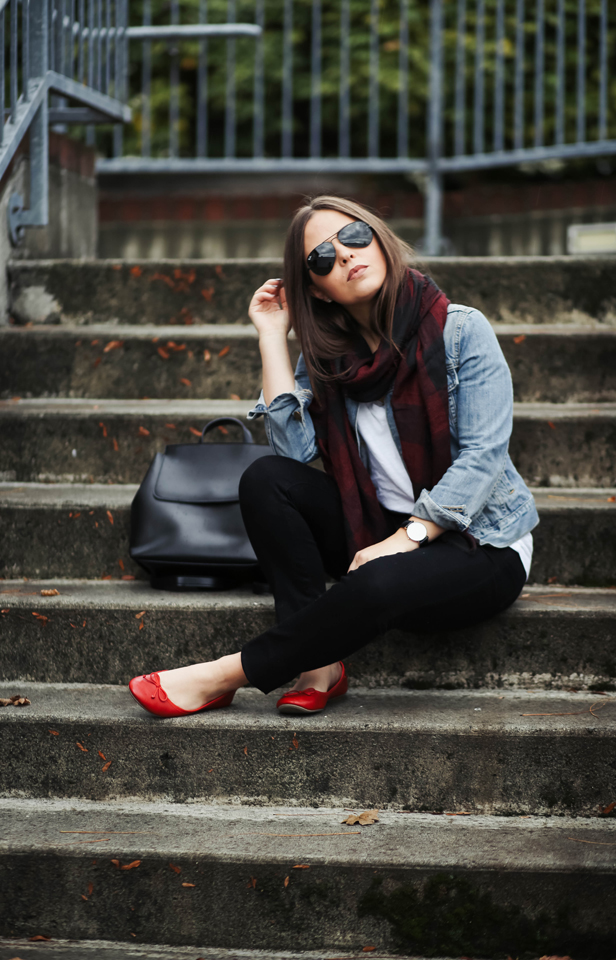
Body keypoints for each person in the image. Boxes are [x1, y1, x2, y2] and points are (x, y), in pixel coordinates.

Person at [129, 196, 538, 718]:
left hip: (481, 545)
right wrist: (274, 337)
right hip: (377, 533)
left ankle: (223, 675)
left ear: (380, 240)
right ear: (316, 289)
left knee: (377, 576)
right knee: (265, 479)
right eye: (321, 258)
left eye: (354, 236)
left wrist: (402, 540)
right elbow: (293, 453)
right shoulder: (330, 359)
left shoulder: (461, 330)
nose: (343, 255)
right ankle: (320, 666)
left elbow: (482, 457)